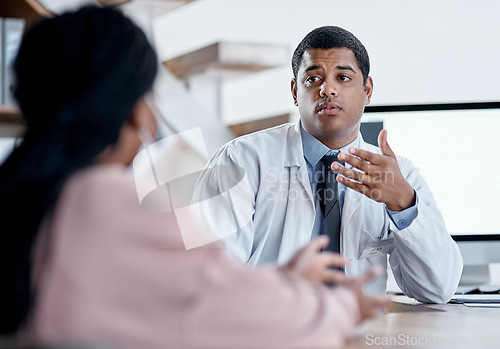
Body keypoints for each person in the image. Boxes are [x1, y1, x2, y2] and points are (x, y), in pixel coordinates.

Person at [0, 7, 387, 349]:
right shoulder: (111, 200)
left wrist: (280, 282)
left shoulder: (23, 191)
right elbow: (233, 319)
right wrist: (344, 307)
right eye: (149, 98)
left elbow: (206, 290)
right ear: (135, 111)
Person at [195, 26, 463, 304]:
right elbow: (210, 280)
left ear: (367, 90)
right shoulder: (240, 161)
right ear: (295, 92)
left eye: (343, 77)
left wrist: (403, 203)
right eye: (313, 79)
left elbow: (438, 289)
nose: (327, 89)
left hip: (360, 339)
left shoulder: (400, 175)